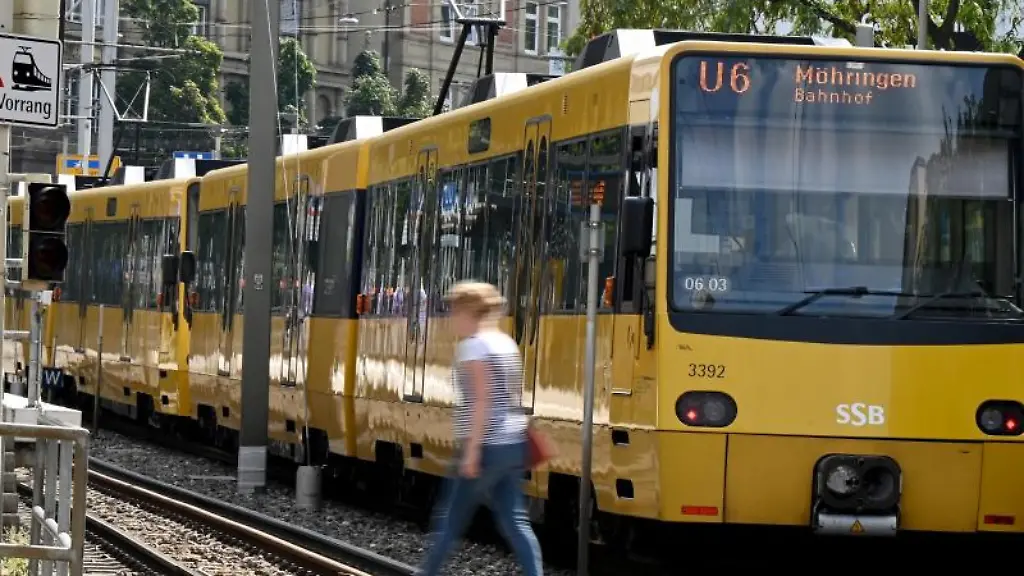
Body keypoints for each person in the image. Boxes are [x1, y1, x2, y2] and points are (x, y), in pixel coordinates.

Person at [418, 281, 544, 576]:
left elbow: (481, 400)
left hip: (486, 445)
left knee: (450, 519)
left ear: (467, 311)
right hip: (513, 443)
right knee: (515, 520)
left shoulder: (473, 346)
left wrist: (472, 451)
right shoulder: (505, 342)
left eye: (453, 311)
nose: (451, 318)